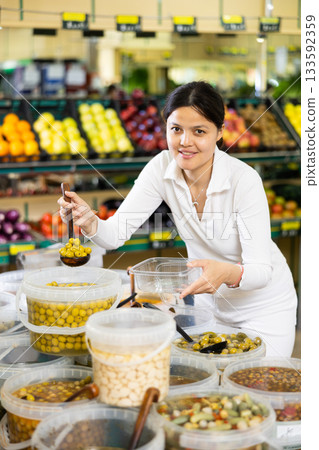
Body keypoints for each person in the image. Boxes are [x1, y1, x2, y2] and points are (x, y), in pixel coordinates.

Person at [58, 81, 298, 357]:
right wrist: (89, 220)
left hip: (264, 309)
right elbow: (114, 235)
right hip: (210, 308)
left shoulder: (243, 180)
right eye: (176, 129)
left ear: (220, 132)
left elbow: (260, 272)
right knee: (212, 393)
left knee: (258, 388)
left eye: (199, 131)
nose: (185, 142)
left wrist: (228, 272)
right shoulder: (161, 168)